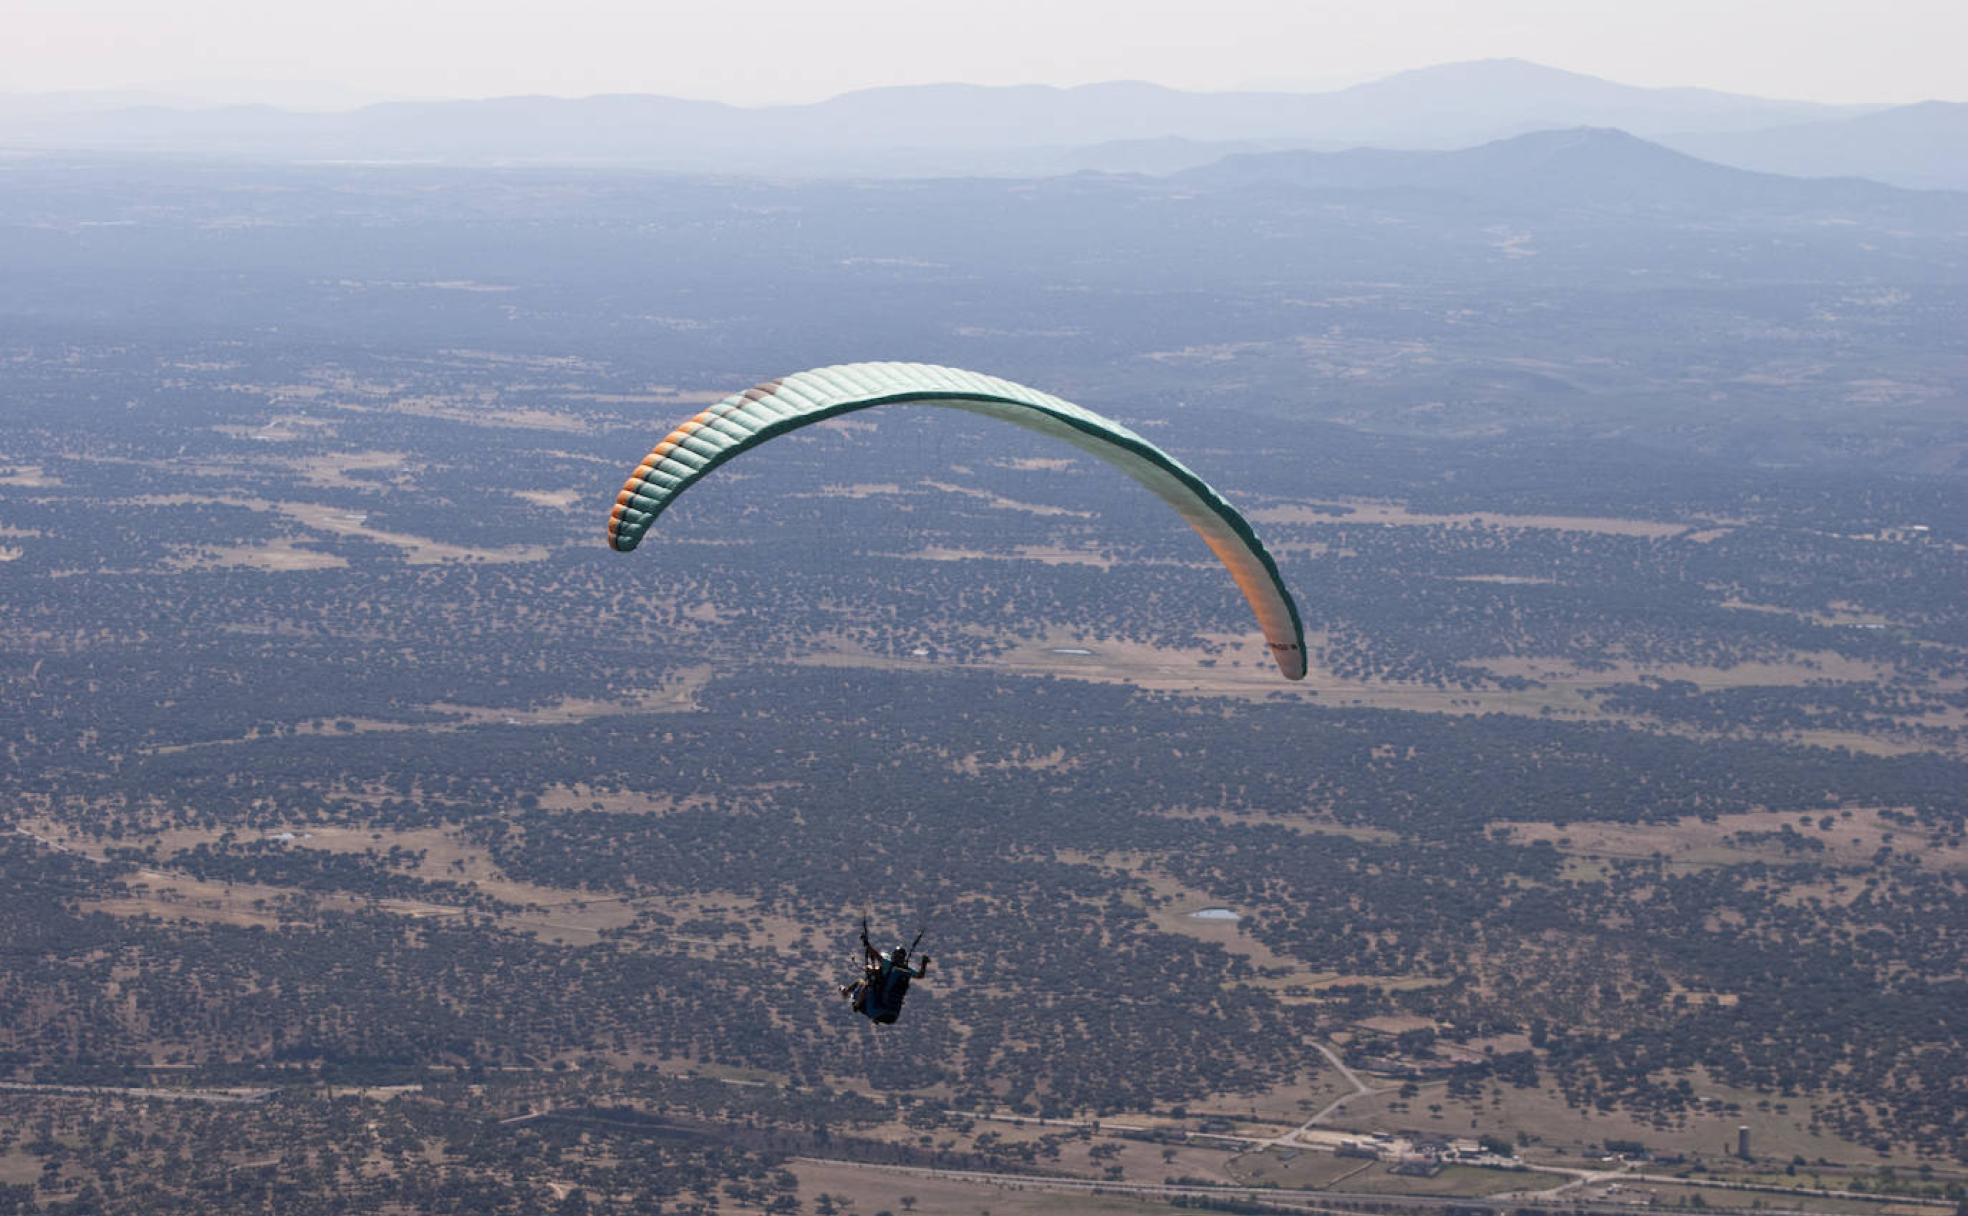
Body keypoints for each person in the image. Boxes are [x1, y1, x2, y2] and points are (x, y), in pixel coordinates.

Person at [839, 922, 928, 1024]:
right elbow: (920, 975)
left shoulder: (888, 964)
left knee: (863, 983)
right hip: (893, 1016)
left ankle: (856, 1003)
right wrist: (924, 963)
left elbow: (876, 955)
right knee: (867, 984)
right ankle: (847, 992)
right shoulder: (906, 970)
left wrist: (867, 944)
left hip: (878, 1007)